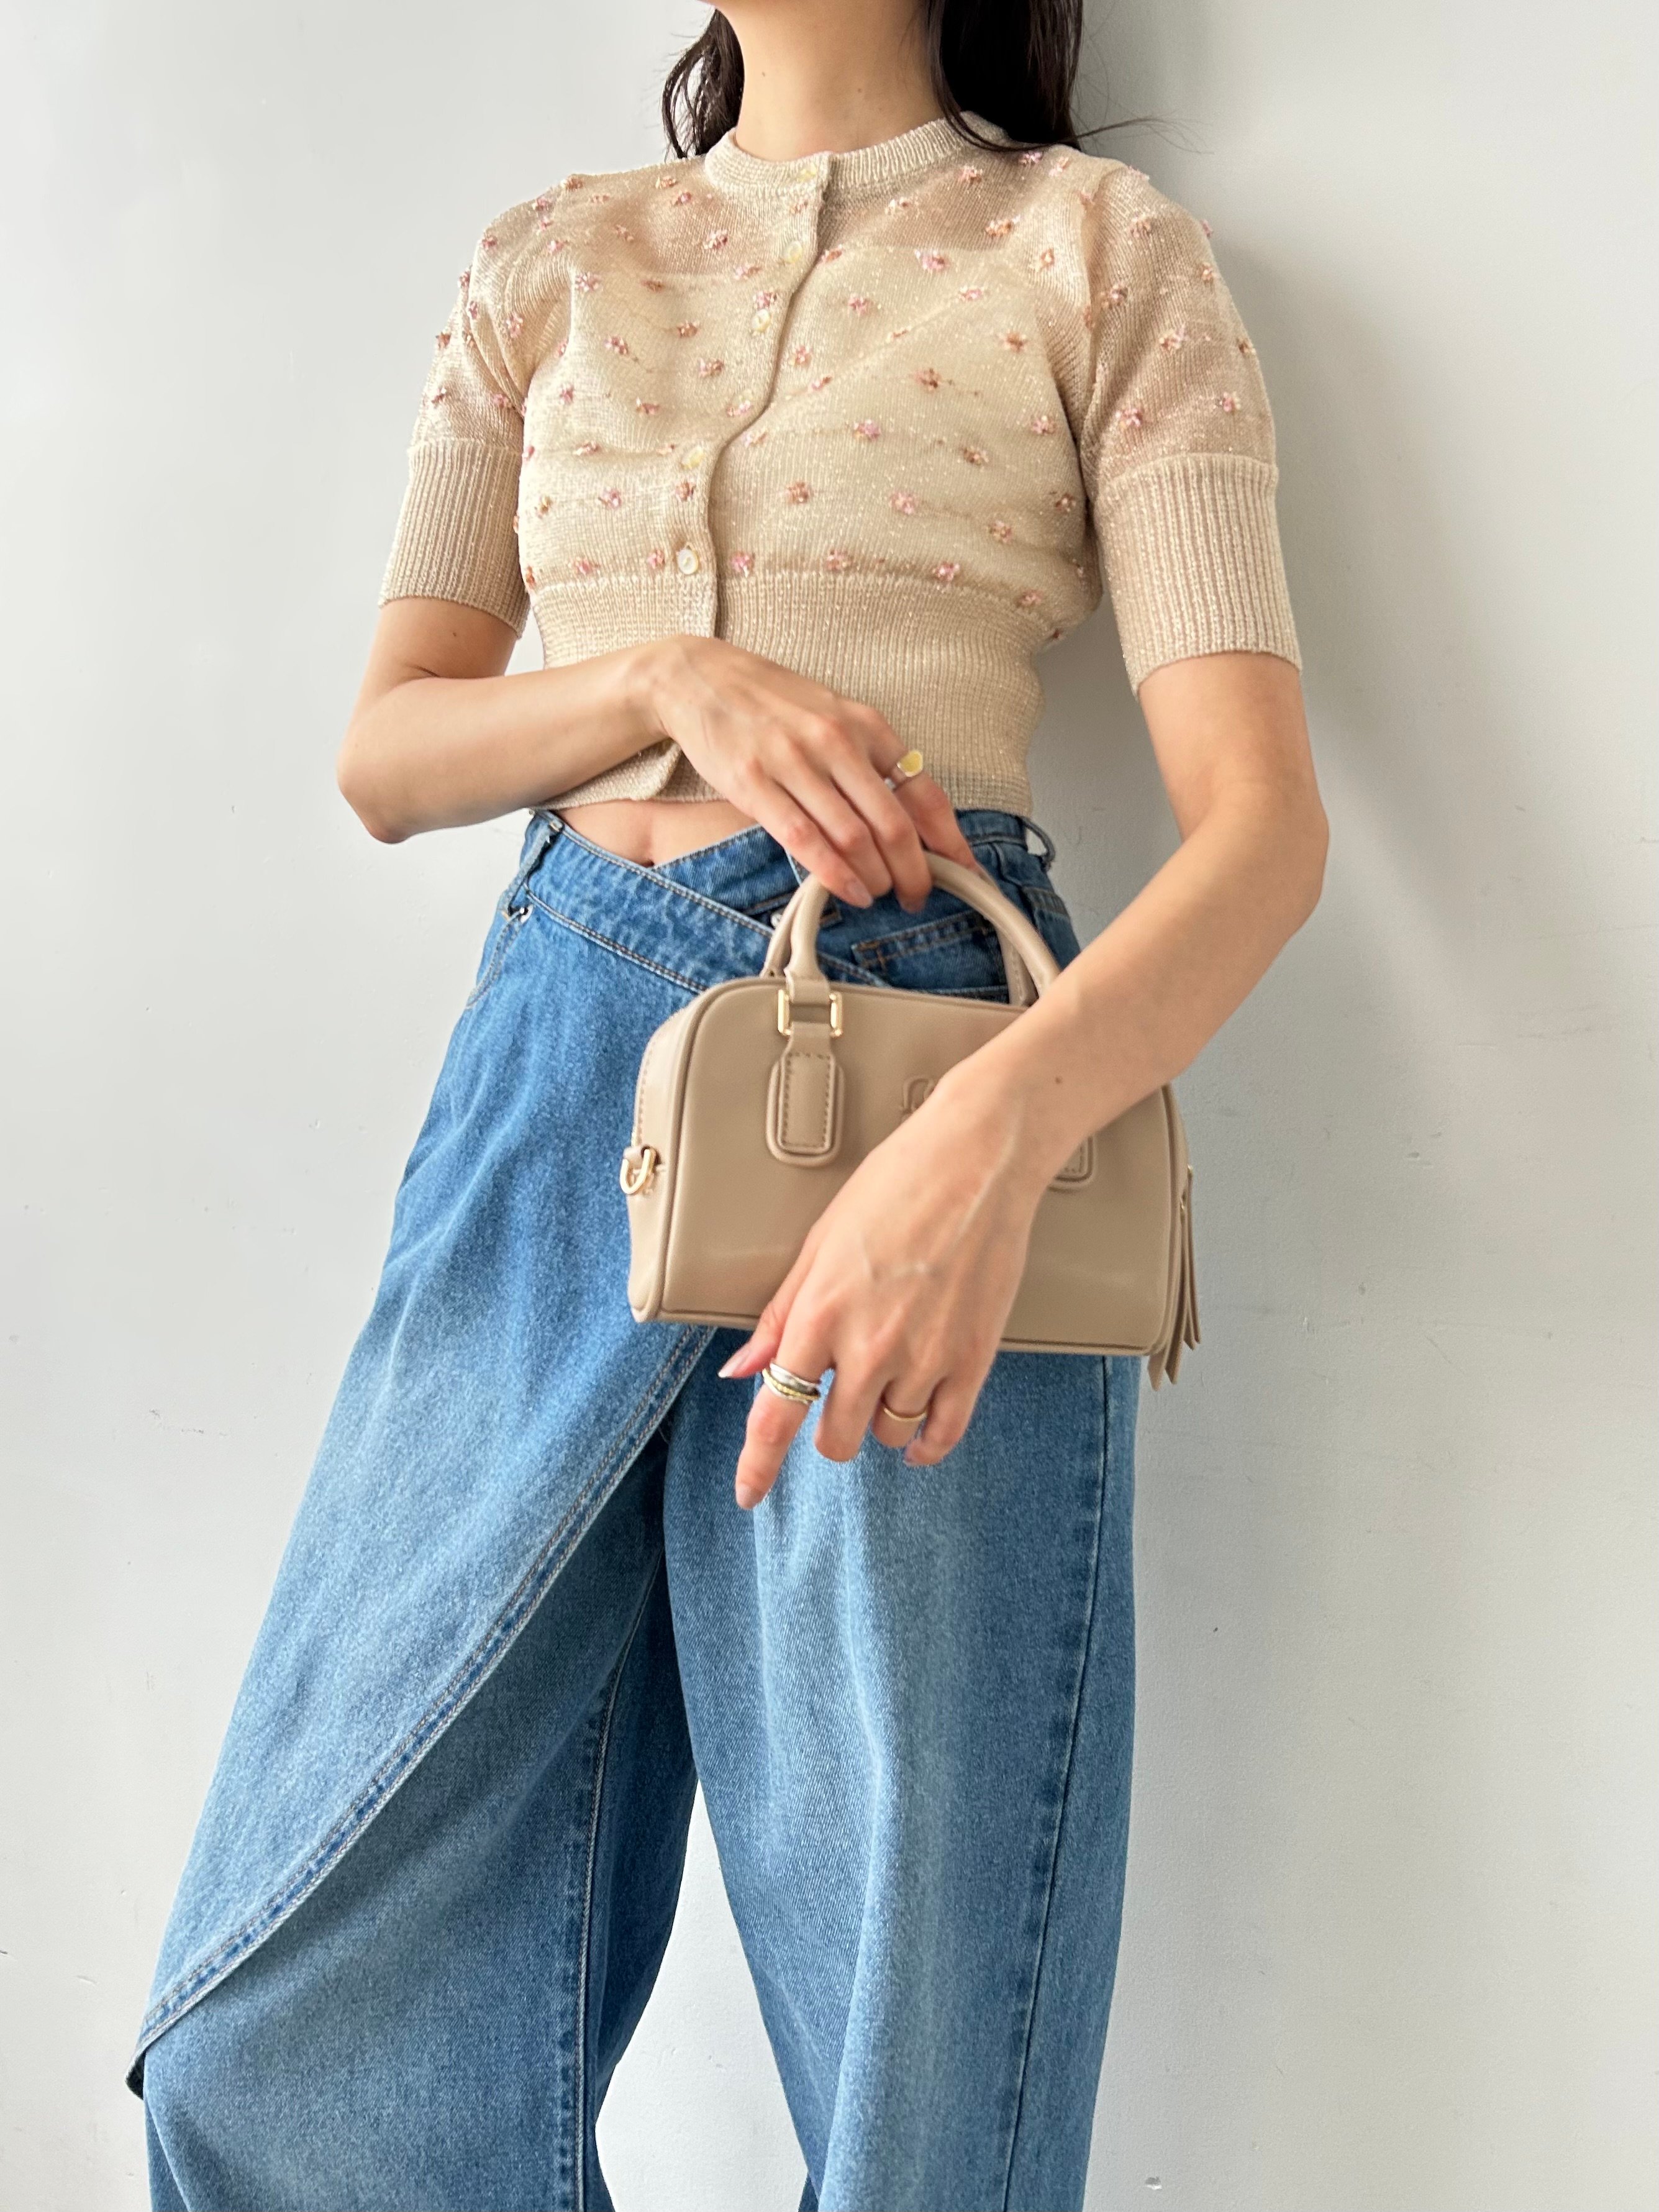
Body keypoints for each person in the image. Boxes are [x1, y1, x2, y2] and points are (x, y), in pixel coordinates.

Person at [130, 2, 1327, 2205]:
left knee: (918, 2082)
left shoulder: (1097, 252)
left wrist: (987, 1145)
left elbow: (1262, 833)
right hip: (552, 1077)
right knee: (267, 2049)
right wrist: (661, 681)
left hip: (929, 1066)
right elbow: (389, 749)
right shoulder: (553, 259)